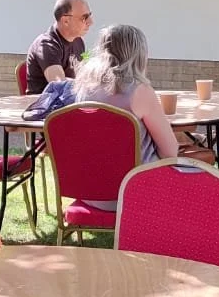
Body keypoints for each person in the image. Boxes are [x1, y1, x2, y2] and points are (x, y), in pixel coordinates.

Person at [71, 24, 179, 210]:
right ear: (139, 54)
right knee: (196, 160)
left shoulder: (83, 88)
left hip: (89, 192)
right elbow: (170, 153)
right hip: (134, 193)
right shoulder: (140, 91)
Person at [25, 0, 91, 93]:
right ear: (65, 21)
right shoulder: (46, 45)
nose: (90, 22)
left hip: (69, 103)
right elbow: (59, 85)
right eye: (84, 17)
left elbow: (85, 73)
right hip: (48, 106)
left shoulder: (78, 41)